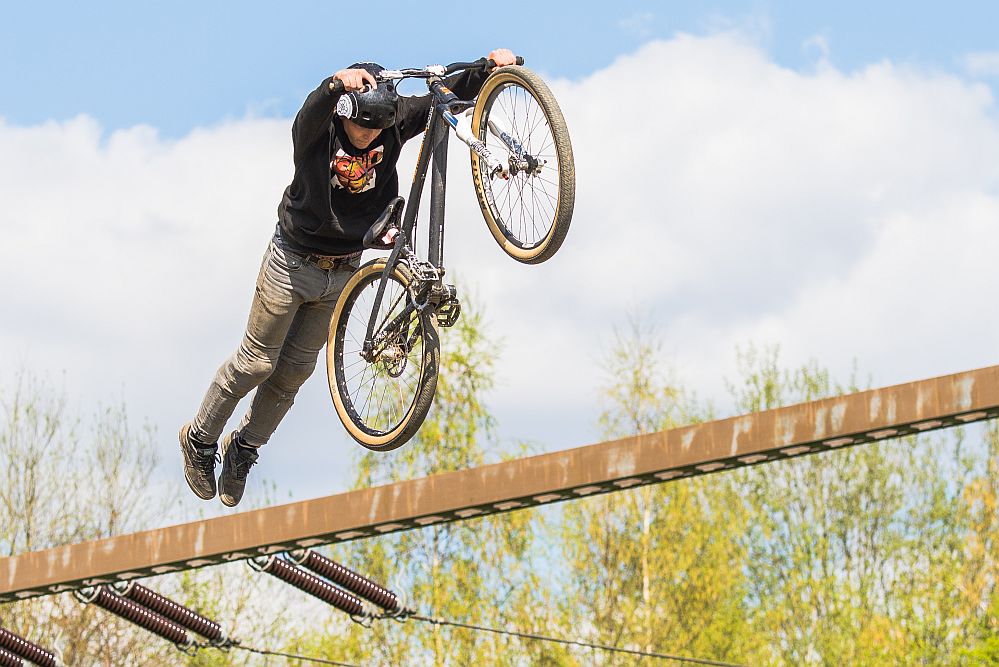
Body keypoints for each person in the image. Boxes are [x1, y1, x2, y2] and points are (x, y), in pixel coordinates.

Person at [179, 49, 517, 507]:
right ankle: (200, 439)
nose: (368, 136)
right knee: (258, 362)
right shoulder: (319, 133)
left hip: (342, 271)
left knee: (294, 373)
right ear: (345, 116)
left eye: (377, 129)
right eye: (362, 127)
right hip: (292, 263)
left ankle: (244, 449)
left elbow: (449, 94)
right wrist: (334, 84)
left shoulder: (393, 121)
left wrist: (488, 67)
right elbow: (308, 114)